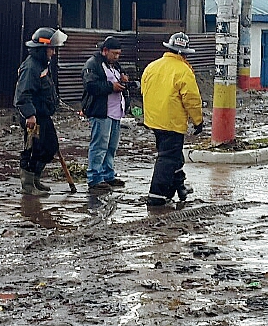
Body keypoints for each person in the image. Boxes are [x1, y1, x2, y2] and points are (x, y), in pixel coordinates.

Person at [141, 32, 205, 207]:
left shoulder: (152, 67)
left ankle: (178, 186)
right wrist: (198, 121)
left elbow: (144, 91)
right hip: (172, 122)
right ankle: (157, 195)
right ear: (184, 54)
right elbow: (191, 99)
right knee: (168, 158)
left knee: (174, 156)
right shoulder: (183, 71)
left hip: (154, 120)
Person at [14, 26, 67, 195]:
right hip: (33, 118)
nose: (54, 53)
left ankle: (35, 179)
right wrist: (30, 114)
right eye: (51, 49)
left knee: (50, 147)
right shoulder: (31, 67)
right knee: (32, 149)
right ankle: (28, 186)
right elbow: (23, 94)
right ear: (43, 48)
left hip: (43, 116)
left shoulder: (42, 65)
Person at [81, 36, 130, 191]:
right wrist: (111, 87)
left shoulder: (115, 65)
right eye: (114, 53)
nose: (116, 57)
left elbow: (118, 79)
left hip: (115, 111)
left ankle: (108, 174)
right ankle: (94, 178)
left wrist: (124, 80)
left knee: (111, 146)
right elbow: (91, 85)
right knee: (99, 145)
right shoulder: (93, 64)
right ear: (104, 51)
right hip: (101, 111)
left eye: (118, 54)